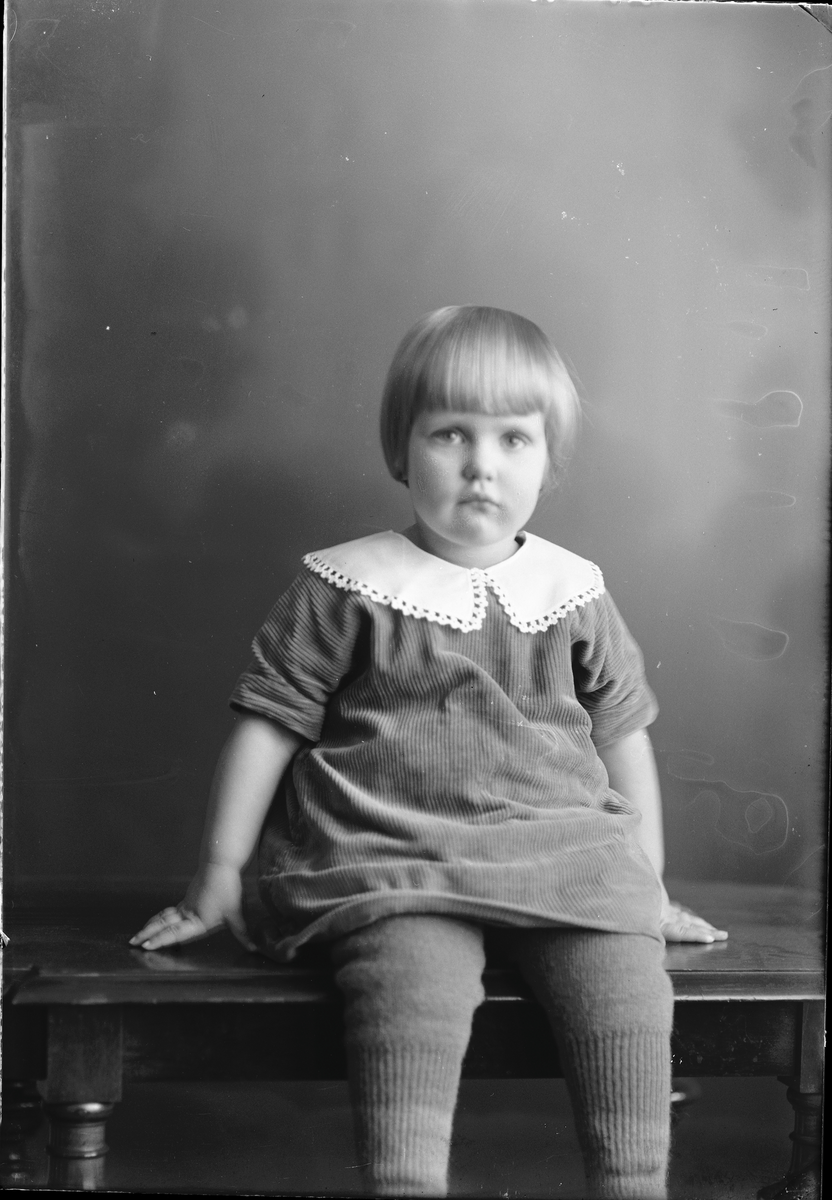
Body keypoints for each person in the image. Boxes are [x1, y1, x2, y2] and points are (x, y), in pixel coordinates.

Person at [132, 306, 727, 1199]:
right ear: (401, 451)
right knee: (411, 988)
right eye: (451, 433)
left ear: (549, 462)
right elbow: (269, 723)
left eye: (514, 439)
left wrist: (647, 883)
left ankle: (632, 1182)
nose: (482, 464)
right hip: (391, 852)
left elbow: (621, 733)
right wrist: (219, 874)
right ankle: (405, 1183)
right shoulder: (346, 584)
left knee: (625, 991)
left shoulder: (571, 591)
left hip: (560, 853)